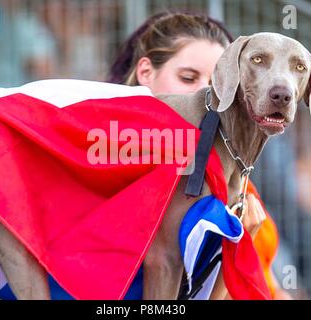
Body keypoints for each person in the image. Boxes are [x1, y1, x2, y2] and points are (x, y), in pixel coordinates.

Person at [107, 11, 291, 299]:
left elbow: (273, 291)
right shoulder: (107, 162)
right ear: (145, 74)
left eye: (222, 81)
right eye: (188, 77)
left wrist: (237, 246)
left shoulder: (241, 187)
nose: (209, 94)